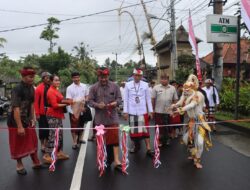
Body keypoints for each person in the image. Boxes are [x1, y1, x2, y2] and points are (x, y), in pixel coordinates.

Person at [171, 74, 212, 169]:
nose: (185, 92)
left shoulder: (198, 95)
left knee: (200, 142)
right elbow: (181, 102)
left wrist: (180, 110)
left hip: (200, 121)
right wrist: (174, 106)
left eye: (187, 90)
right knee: (187, 140)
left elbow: (192, 105)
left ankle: (197, 160)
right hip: (191, 121)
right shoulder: (186, 93)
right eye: (184, 90)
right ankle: (193, 154)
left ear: (193, 89)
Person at [7, 66, 42, 175]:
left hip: (27, 119)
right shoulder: (17, 89)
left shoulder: (31, 88)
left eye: (33, 77)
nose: (32, 79)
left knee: (33, 140)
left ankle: (36, 162)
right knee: (18, 143)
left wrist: (32, 118)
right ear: (23, 76)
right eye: (30, 77)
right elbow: (15, 108)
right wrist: (20, 126)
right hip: (15, 121)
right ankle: (19, 165)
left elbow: (31, 104)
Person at [88, 67, 122, 172]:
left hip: (112, 118)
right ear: (98, 77)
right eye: (101, 77)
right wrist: (97, 105)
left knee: (115, 140)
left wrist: (115, 103)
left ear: (108, 76)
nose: (103, 79)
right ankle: (102, 160)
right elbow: (89, 101)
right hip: (100, 119)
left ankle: (116, 161)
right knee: (101, 141)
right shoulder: (93, 88)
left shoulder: (115, 86)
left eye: (105, 77)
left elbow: (120, 99)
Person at [123, 68, 154, 157]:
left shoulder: (145, 85)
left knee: (145, 131)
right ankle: (136, 146)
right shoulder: (127, 85)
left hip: (142, 111)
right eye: (136, 75)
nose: (137, 77)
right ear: (133, 75)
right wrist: (125, 112)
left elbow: (148, 99)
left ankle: (148, 148)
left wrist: (150, 111)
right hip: (132, 111)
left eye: (139, 75)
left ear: (141, 76)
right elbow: (125, 100)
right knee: (134, 132)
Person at [43, 75, 72, 164]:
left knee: (59, 134)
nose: (58, 82)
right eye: (56, 80)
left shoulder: (56, 90)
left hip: (58, 115)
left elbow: (61, 99)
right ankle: (47, 155)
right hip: (52, 115)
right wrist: (67, 104)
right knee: (53, 135)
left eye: (58, 80)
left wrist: (67, 101)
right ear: (51, 82)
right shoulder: (51, 91)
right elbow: (55, 105)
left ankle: (58, 152)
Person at [151, 74, 178, 147]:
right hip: (158, 111)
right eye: (162, 79)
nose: (164, 80)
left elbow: (175, 99)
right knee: (159, 127)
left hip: (169, 111)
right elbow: (153, 99)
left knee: (168, 126)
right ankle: (159, 140)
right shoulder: (156, 88)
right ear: (160, 79)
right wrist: (152, 110)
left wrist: (174, 108)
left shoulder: (172, 88)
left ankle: (167, 140)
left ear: (168, 80)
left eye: (165, 79)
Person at [66, 72, 89, 149]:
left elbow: (87, 96)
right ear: (72, 78)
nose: (76, 79)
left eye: (77, 77)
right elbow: (69, 100)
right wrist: (79, 103)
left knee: (82, 125)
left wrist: (84, 104)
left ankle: (80, 139)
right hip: (73, 110)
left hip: (82, 109)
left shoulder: (84, 86)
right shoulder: (69, 88)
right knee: (74, 127)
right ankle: (74, 142)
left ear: (79, 77)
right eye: (74, 77)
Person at [34, 71, 51, 153]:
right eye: (46, 77)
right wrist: (37, 114)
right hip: (42, 112)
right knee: (42, 130)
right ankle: (42, 144)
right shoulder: (39, 88)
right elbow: (36, 102)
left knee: (49, 129)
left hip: (51, 112)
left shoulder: (51, 86)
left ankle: (47, 143)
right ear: (43, 79)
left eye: (49, 77)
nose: (48, 79)